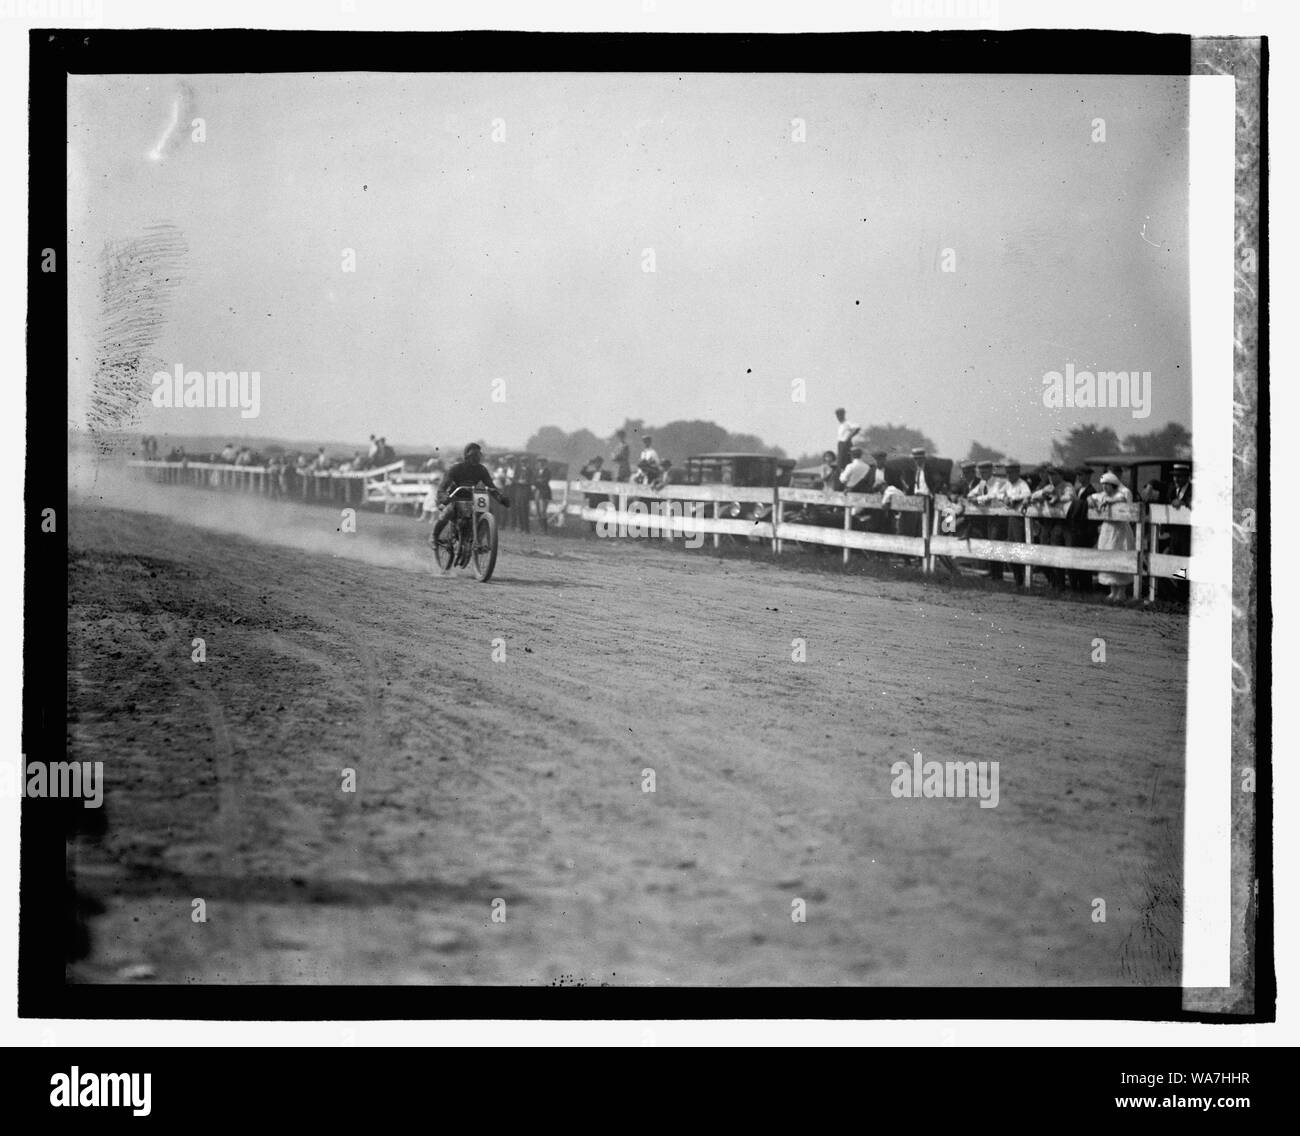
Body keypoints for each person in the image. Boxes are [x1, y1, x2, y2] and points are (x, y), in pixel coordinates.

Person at [431, 443, 510, 549]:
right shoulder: (456, 468)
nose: (476, 459)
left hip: (472, 499)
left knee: (488, 511)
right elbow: (443, 487)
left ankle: (479, 541)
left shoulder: (481, 470)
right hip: (455, 498)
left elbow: (491, 487)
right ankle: (434, 537)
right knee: (449, 511)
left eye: (478, 456)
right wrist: (443, 498)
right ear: (467, 456)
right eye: (473, 456)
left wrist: (500, 498)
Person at [1090, 471, 1136, 601]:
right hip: (1107, 530)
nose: (1104, 488)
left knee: (1120, 556)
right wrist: (1091, 500)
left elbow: (1122, 499)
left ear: (1113, 485)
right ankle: (1112, 591)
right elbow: (1092, 497)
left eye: (1107, 485)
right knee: (1107, 557)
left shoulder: (1121, 494)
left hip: (1120, 530)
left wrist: (1110, 501)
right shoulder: (1102, 495)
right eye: (1103, 485)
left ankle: (1121, 592)